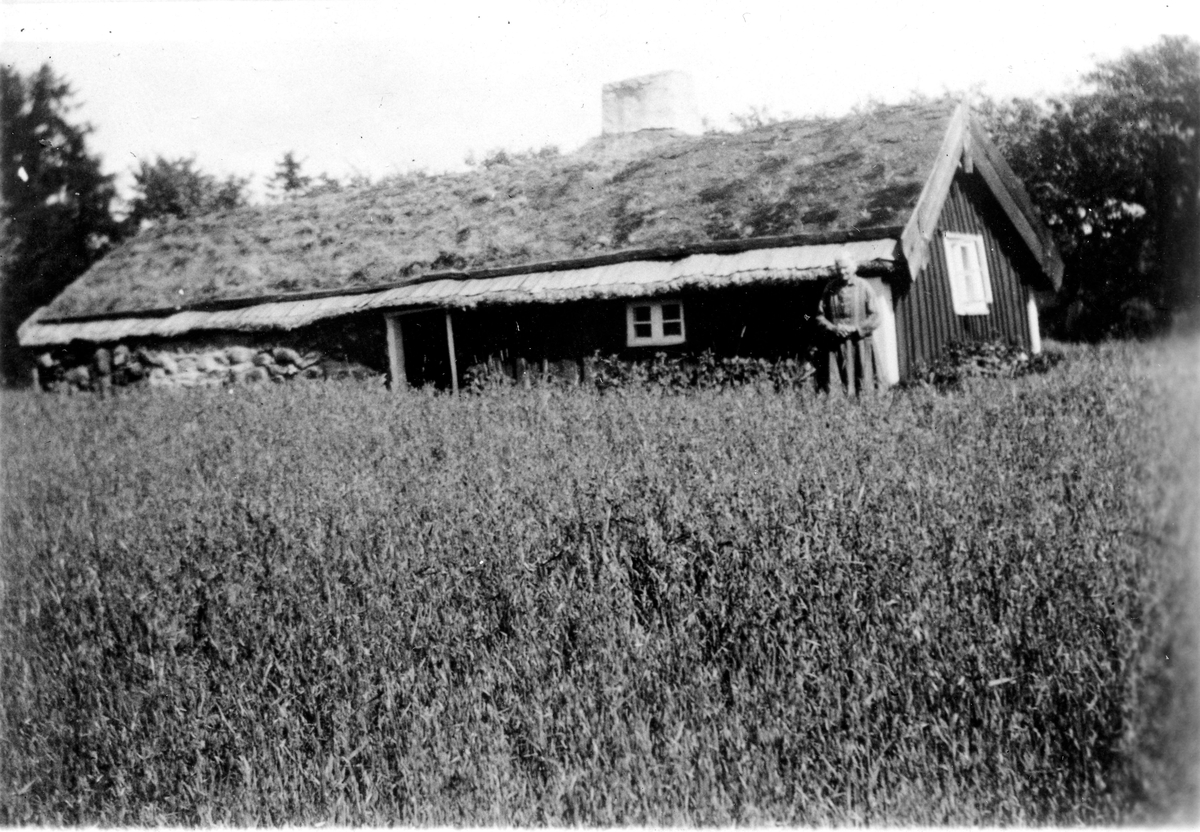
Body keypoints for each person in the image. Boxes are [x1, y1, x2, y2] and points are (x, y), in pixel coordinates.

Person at [813, 252, 880, 395]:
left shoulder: (864, 287)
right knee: (837, 389)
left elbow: (876, 316)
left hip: (860, 344)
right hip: (836, 345)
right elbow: (819, 316)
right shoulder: (830, 288)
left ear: (853, 267)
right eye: (839, 269)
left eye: (845, 268)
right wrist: (833, 328)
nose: (842, 272)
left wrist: (857, 328)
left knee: (864, 385)